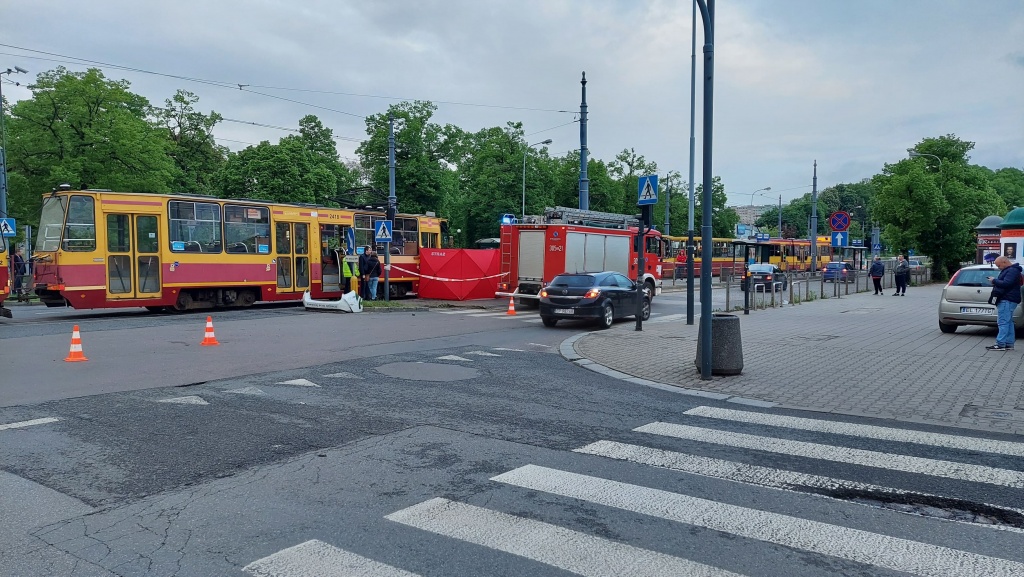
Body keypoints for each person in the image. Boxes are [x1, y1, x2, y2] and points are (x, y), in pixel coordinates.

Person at [986, 255, 1022, 351]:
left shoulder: (1012, 271)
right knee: (1008, 322)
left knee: (1003, 322)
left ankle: (1000, 344)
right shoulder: (1012, 270)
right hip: (1009, 299)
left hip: (1007, 299)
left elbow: (1007, 283)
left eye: (999, 266)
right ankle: (1009, 344)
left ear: (1004, 262)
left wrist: (994, 281)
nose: (998, 268)